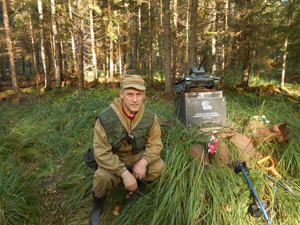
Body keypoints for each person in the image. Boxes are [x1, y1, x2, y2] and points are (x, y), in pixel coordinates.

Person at [89, 75, 165, 225]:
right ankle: (98, 206)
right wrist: (124, 173)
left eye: (139, 94)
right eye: (130, 94)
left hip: (137, 157)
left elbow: (155, 143)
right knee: (102, 178)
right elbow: (101, 153)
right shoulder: (106, 117)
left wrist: (144, 162)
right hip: (114, 161)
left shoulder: (149, 115)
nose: (135, 100)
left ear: (144, 95)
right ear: (122, 95)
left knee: (158, 167)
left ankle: (136, 186)